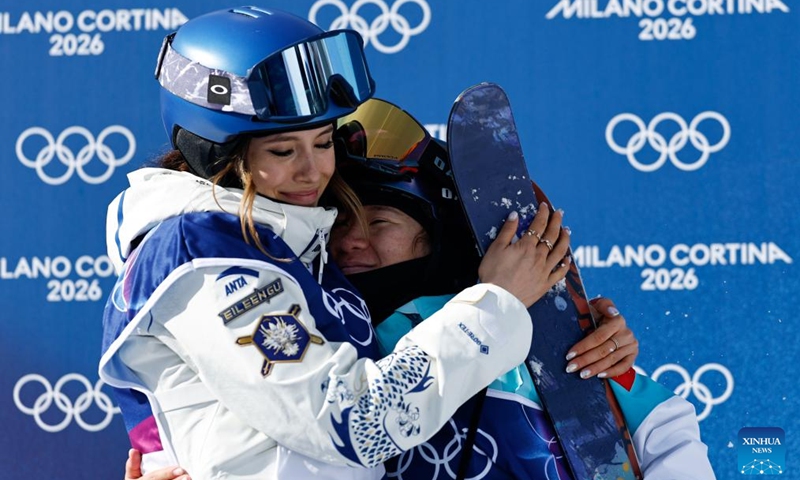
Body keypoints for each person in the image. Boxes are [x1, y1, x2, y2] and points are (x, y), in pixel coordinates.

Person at [123, 98, 713, 480]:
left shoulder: (528, 334)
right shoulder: (318, 339)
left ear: (435, 237)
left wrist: (563, 326)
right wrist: (168, 459)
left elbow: (662, 426)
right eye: (340, 226)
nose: (351, 243)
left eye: (379, 224)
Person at [99, 7, 571, 480]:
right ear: (215, 150)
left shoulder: (288, 244)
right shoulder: (205, 255)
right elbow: (354, 423)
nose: (313, 171)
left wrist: (576, 336)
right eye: (283, 151)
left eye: (323, 143)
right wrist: (497, 303)